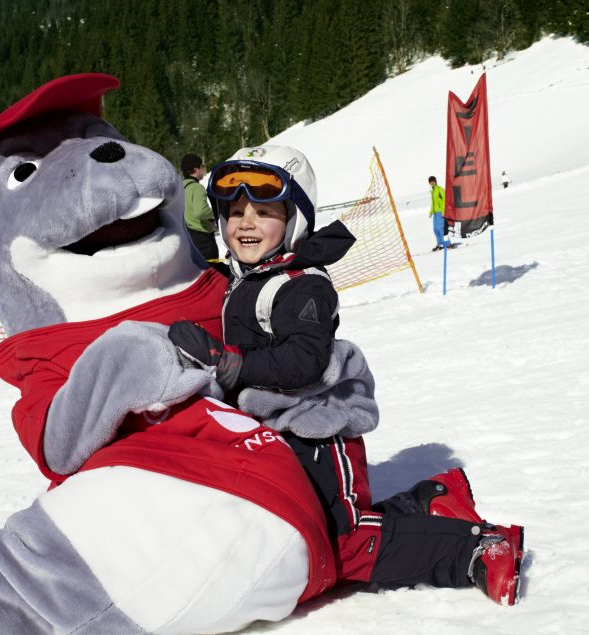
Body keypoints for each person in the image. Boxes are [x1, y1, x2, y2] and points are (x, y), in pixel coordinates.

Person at [169, 145, 524, 605]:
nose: (246, 223)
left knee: (345, 544)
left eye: (262, 211)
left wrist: (231, 363)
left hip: (316, 432)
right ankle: (430, 500)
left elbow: (306, 361)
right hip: (271, 431)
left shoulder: (302, 286)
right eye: (234, 212)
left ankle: (478, 548)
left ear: (294, 220)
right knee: (308, 528)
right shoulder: (243, 277)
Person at [181, 152, 219, 261]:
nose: (203, 169)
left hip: (189, 236)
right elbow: (200, 211)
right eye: (202, 166)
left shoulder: (182, 188)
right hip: (203, 238)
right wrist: (214, 214)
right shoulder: (197, 188)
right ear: (196, 169)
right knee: (213, 270)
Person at [428, 175, 448, 251]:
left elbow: (444, 201)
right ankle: (440, 244)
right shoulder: (433, 191)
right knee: (435, 229)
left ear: (435, 181)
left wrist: (443, 211)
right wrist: (431, 212)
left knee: (441, 228)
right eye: (430, 182)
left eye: (433, 181)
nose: (432, 183)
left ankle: (446, 243)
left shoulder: (439, 190)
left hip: (441, 212)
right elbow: (433, 203)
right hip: (436, 213)